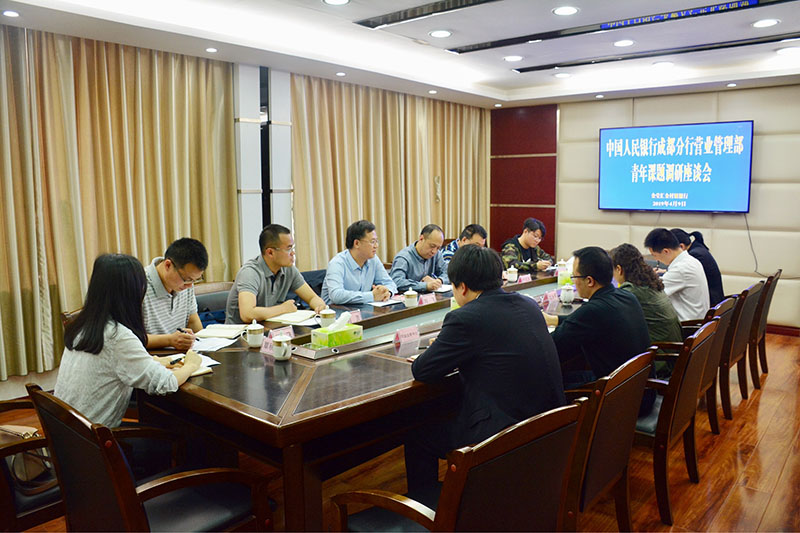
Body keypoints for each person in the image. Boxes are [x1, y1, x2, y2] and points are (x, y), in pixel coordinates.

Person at [406, 245, 565, 493]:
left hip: (504, 435)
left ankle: (432, 507)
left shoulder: (466, 318)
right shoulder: (527, 304)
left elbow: (423, 370)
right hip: (549, 425)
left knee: (417, 434)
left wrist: (443, 346)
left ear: (462, 287)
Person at [55, 254, 201, 429]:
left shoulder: (83, 326)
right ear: (132, 292)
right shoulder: (118, 337)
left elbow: (111, 362)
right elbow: (166, 383)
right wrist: (191, 365)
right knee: (180, 432)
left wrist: (155, 361)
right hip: (97, 439)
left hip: (69, 433)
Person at [543, 246, 652, 390]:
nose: (573, 282)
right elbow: (587, 321)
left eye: (574, 277)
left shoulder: (592, 311)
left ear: (589, 281)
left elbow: (550, 346)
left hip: (616, 394)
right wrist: (553, 320)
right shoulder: (627, 296)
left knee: (546, 383)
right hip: (640, 386)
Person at [226, 224, 326, 324]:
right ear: (270, 252)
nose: (293, 253)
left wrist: (319, 306)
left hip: (271, 328)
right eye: (288, 249)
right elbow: (247, 314)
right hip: (242, 331)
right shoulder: (250, 273)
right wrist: (283, 308)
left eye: (292, 248)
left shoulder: (289, 269)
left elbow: (312, 297)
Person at [610, 243, 683, 345]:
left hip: (661, 352)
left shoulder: (631, 291)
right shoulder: (651, 283)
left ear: (619, 269)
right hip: (672, 346)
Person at [143, 238, 207, 351]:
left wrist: (203, 345)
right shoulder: (139, 285)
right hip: (150, 357)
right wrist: (169, 340)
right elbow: (130, 339)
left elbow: (192, 321)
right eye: (186, 279)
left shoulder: (186, 284)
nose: (190, 286)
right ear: (168, 265)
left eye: (195, 280)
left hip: (178, 355)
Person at [321, 220, 397, 305]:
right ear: (356, 243)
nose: (376, 246)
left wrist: (387, 292)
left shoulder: (373, 260)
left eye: (376, 241)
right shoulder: (337, 263)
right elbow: (336, 295)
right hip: (336, 311)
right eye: (372, 242)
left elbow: (390, 283)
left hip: (361, 310)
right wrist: (372, 296)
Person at [644, 228, 710, 321]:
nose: (656, 259)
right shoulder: (691, 260)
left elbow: (652, 294)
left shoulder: (680, 269)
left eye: (654, 255)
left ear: (666, 251)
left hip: (688, 325)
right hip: (698, 320)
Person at [671, 229, 724, 307]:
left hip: (710, 303)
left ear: (681, 246)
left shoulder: (694, 255)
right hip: (715, 299)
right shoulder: (698, 247)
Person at [389, 224, 449, 292]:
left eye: (438, 248)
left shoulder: (437, 254)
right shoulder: (403, 257)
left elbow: (448, 273)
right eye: (432, 246)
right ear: (421, 239)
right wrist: (425, 286)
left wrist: (439, 281)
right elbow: (397, 281)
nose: (434, 251)